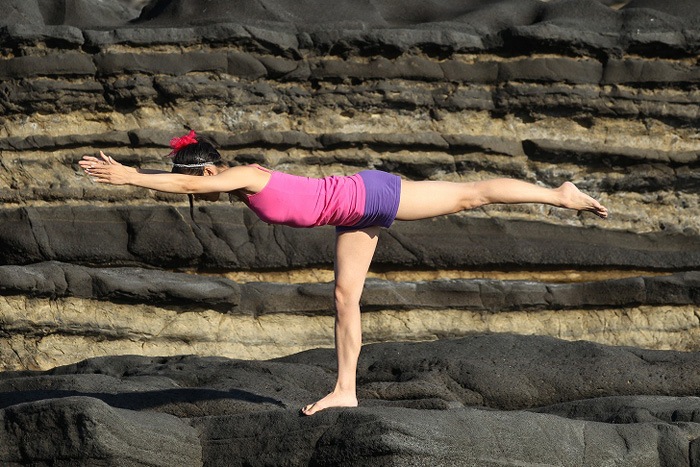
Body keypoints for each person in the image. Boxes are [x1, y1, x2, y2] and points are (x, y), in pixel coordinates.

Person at [80, 130, 608, 416]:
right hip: (352, 214)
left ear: (211, 170)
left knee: (471, 194)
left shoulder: (242, 173)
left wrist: (128, 175)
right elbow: (194, 185)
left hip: (367, 194)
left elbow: (192, 186)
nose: (204, 188)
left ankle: (557, 195)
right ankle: (346, 389)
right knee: (343, 297)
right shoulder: (238, 183)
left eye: (200, 178)